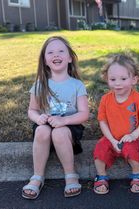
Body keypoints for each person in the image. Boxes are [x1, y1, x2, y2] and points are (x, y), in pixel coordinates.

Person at [22, 36, 89, 199]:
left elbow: (84, 114)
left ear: (69, 58)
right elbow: (32, 110)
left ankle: (70, 174)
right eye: (50, 52)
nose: (55, 55)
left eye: (61, 51)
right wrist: (38, 119)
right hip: (46, 125)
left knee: (58, 132)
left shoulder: (77, 85)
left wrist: (64, 121)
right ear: (45, 60)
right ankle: (37, 176)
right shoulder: (40, 84)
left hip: (69, 129)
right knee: (42, 131)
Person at [93, 54, 139, 194]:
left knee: (131, 151)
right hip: (110, 138)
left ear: (134, 80)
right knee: (99, 148)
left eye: (123, 79)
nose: (117, 83)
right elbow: (103, 121)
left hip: (130, 138)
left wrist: (134, 135)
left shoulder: (138, 99)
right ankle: (101, 175)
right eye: (112, 79)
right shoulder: (105, 99)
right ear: (107, 79)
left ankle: (137, 174)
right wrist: (112, 139)